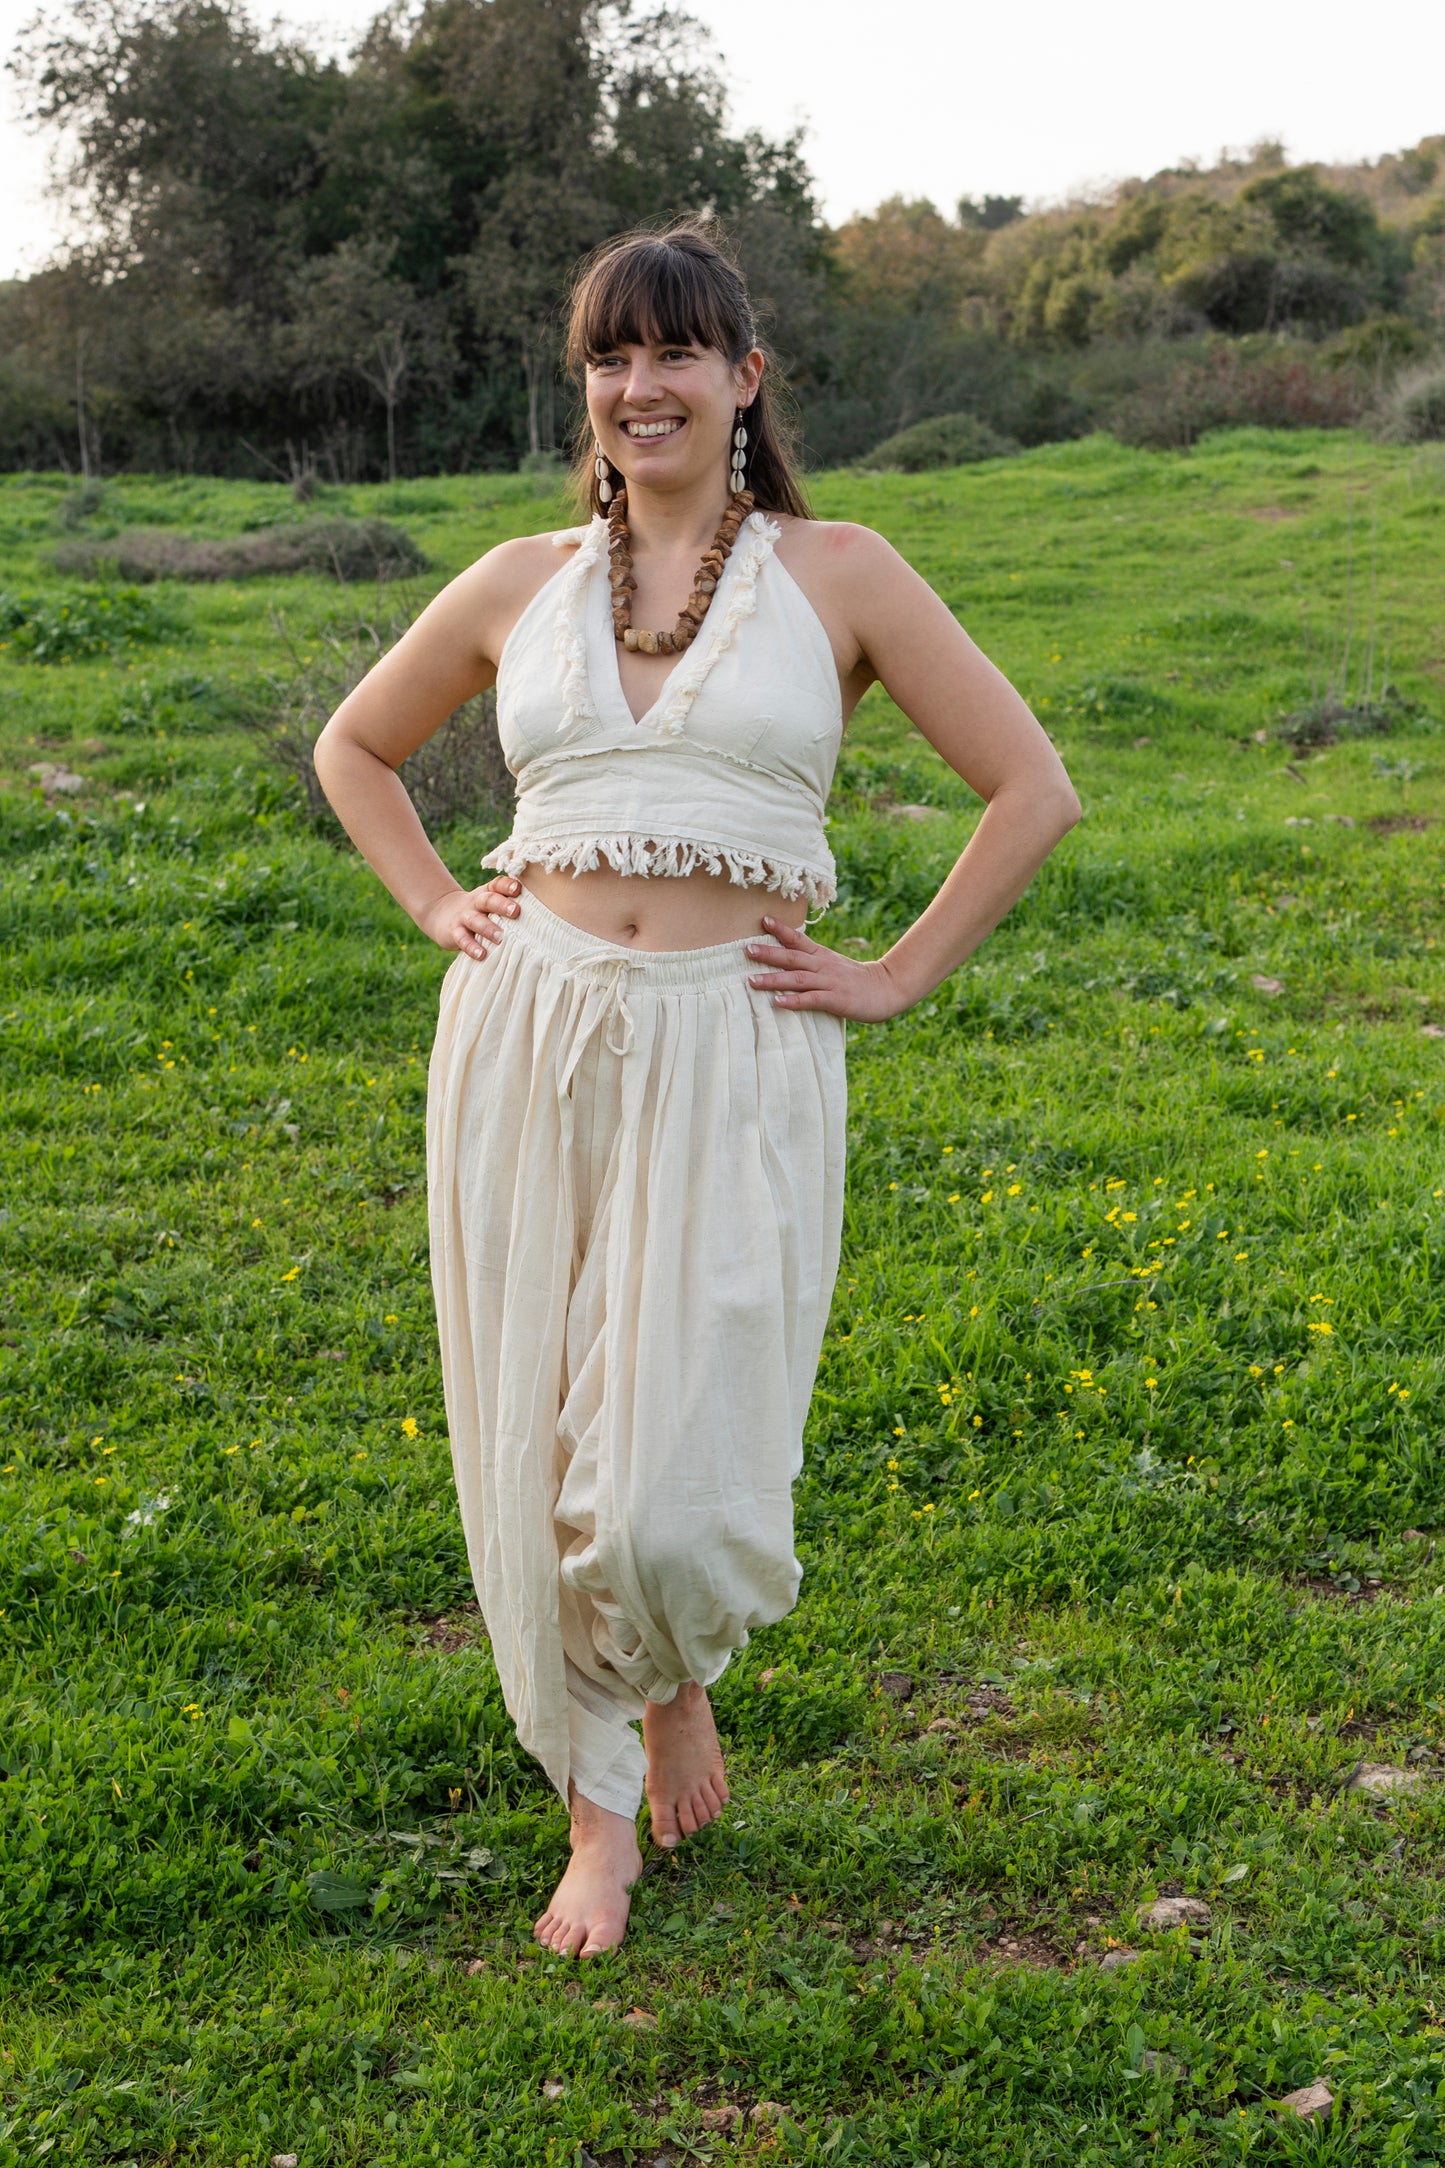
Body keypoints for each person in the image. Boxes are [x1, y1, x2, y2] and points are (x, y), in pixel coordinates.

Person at [314, 220, 1080, 1960]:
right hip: (532, 1034)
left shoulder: (844, 574)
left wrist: (888, 977)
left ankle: (671, 1665)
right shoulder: (520, 581)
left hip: (732, 1042)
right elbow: (354, 747)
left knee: (669, 1469)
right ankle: (604, 1803)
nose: (636, 386)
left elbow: (1031, 790)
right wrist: (440, 900)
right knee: (544, 1431)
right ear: (585, 387)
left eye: (673, 354)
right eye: (607, 356)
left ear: (743, 378)